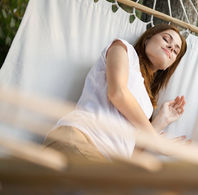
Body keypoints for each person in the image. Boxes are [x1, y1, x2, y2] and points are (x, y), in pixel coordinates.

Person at [43, 24, 188, 161]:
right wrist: (157, 142)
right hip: (82, 137)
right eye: (166, 39)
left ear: (169, 65)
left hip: (107, 160)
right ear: (147, 39)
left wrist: (161, 120)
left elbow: (132, 153)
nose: (170, 47)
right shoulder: (123, 49)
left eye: (175, 51)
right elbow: (117, 93)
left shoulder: (147, 104)